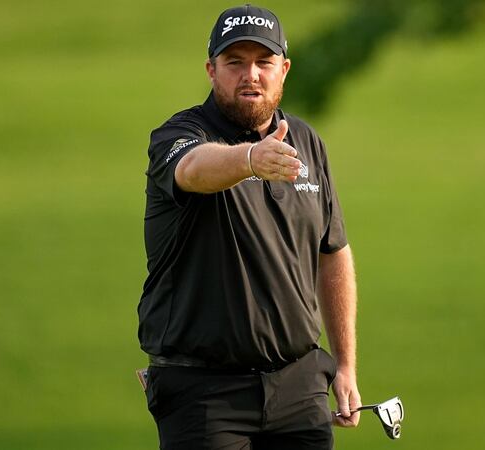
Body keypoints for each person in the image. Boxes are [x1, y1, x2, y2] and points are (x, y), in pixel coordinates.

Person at [137, 4, 361, 449]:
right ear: (211, 70)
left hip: (299, 390)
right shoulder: (179, 135)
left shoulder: (307, 141)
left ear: (284, 69)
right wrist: (248, 160)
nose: (250, 74)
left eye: (263, 62)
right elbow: (193, 170)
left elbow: (332, 251)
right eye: (234, 62)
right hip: (205, 394)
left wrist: (345, 365)